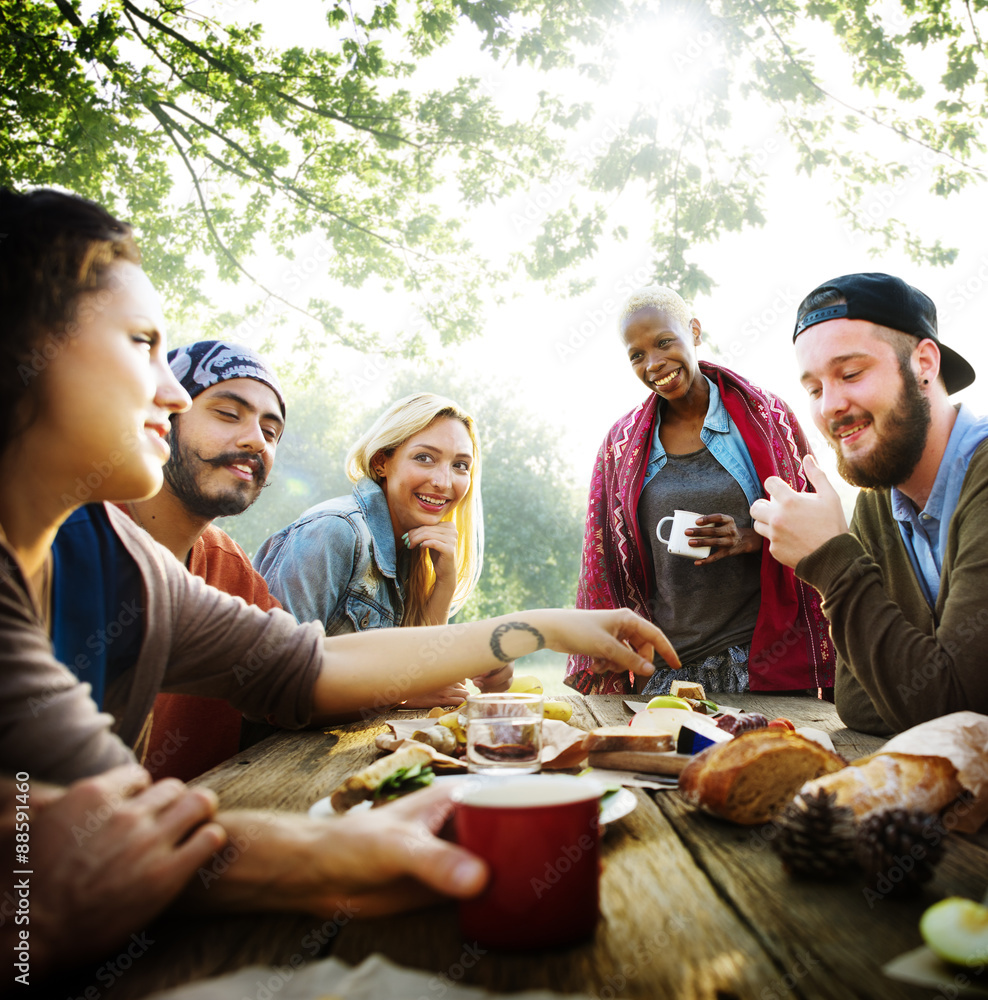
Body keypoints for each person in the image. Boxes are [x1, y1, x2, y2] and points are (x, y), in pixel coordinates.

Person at [0, 187, 677, 976]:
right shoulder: (324, 533)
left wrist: (546, 626)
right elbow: (89, 846)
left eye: (272, 427)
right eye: (142, 344)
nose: (173, 392)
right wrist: (332, 849)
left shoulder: (125, 562)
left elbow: (310, 665)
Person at [566, 286, 834, 697]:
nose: (653, 363)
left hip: (761, 664)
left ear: (693, 332)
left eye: (663, 342)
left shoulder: (768, 417)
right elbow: (604, 563)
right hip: (667, 671)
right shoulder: (620, 446)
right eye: (636, 355)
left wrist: (749, 539)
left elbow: (817, 531)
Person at [750, 272, 986, 735]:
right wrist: (929, 680)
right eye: (814, 388)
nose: (829, 406)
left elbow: (953, 711)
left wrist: (832, 561)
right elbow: (858, 702)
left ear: (924, 362)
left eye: (851, 373)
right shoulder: (879, 503)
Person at [52, 340, 288, 781]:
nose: (255, 440)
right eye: (227, 413)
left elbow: (308, 669)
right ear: (165, 419)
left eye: (271, 432)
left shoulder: (229, 566)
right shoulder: (68, 542)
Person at [256, 393, 491, 708]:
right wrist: (398, 696)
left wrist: (443, 582)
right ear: (382, 462)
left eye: (460, 465)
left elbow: (422, 665)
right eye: (425, 458)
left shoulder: (411, 546)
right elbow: (271, 681)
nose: (442, 481)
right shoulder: (335, 530)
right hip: (262, 754)